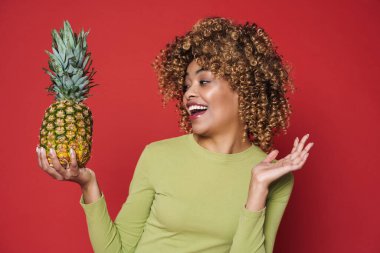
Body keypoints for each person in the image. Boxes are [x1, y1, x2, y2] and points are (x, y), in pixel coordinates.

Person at [36, 17, 314, 253]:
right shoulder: (158, 155)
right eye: (186, 85)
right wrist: (88, 184)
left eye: (204, 81)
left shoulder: (274, 177)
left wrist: (256, 191)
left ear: (244, 89)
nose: (189, 93)